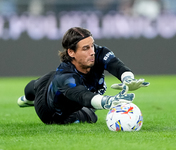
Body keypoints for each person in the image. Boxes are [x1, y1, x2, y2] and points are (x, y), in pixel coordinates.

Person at [17, 27, 150, 124]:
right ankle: (28, 99)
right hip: (53, 113)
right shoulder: (65, 78)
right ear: (71, 52)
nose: (92, 52)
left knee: (49, 79)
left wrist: (128, 79)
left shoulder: (98, 53)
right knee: (36, 86)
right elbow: (83, 96)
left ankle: (30, 97)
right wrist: (108, 101)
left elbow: (115, 65)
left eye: (92, 46)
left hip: (63, 90)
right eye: (85, 48)